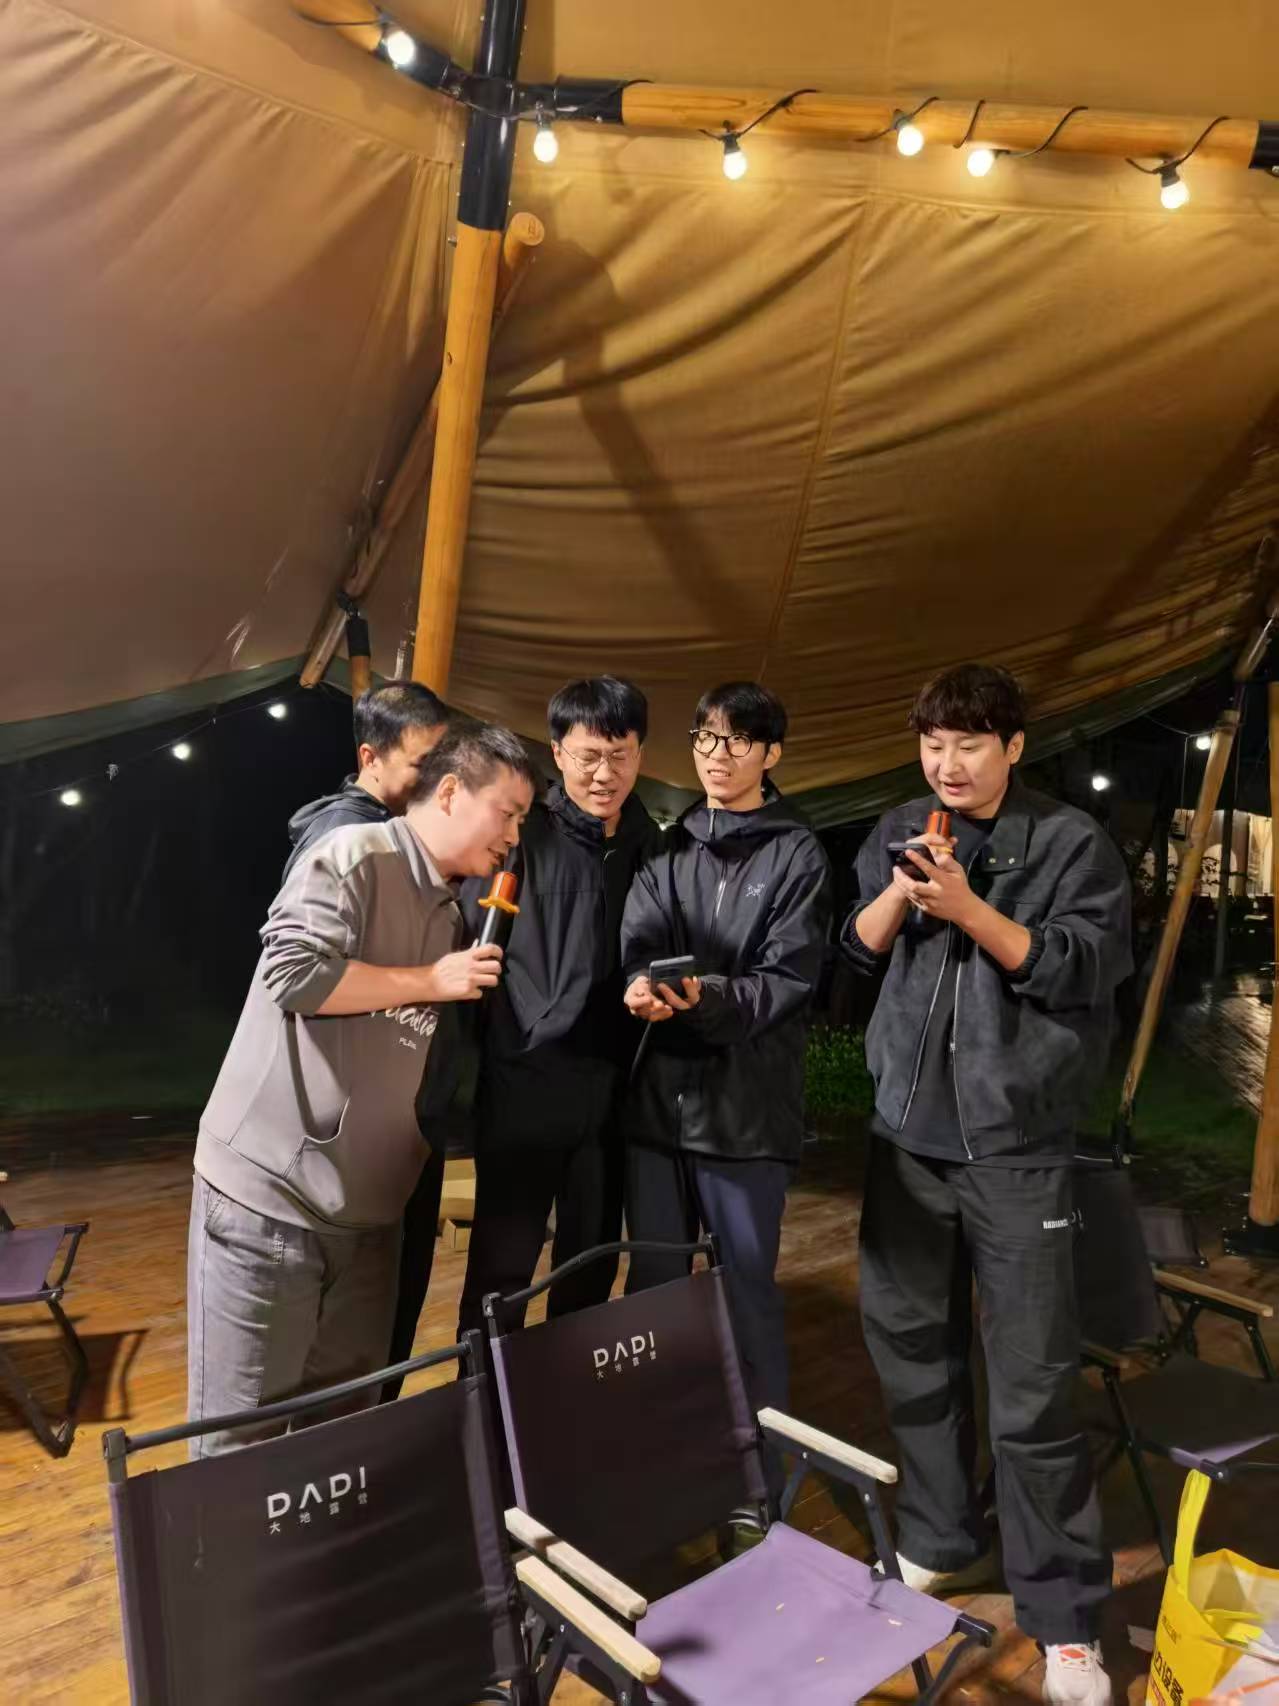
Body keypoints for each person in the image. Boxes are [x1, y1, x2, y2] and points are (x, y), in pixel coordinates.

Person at [843, 663, 1131, 1706]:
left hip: (1016, 1150)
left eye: (968, 743)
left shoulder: (1069, 843)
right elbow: (857, 952)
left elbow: (1080, 967)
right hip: (905, 1144)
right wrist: (899, 887)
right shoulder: (899, 825)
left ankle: (1063, 1618)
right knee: (912, 1350)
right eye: (932, 743)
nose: (947, 763)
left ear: (1012, 745)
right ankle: (938, 1536)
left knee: (1032, 1384)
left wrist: (966, 907)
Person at [188, 724, 536, 1454]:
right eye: (507, 813)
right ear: (450, 791)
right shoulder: (355, 855)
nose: (513, 836)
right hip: (272, 1201)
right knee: (239, 1438)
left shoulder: (452, 911)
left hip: (370, 1212)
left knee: (342, 1425)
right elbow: (292, 975)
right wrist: (429, 980)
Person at [620, 681, 832, 1445]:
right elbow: (639, 941)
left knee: (745, 1293)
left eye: (738, 740)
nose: (717, 754)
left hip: (745, 1113)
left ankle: (756, 1466)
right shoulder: (669, 844)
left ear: (770, 754)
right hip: (658, 1108)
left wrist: (700, 996)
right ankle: (653, 1447)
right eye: (706, 738)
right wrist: (638, 985)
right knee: (652, 1292)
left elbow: (785, 980)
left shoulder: (796, 852)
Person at [457, 677, 661, 1333]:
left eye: (620, 756)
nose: (605, 774)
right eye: (588, 756)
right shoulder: (523, 835)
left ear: (640, 753)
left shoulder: (650, 844)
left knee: (590, 1264)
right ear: (557, 752)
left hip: (612, 1093)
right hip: (525, 1086)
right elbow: (474, 948)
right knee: (501, 1270)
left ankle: (569, 1387)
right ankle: (487, 1391)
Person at [283, 678, 452, 1403]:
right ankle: (353, 1436)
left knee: (390, 1299)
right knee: (357, 1314)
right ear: (369, 757)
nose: (436, 785)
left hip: (395, 1108)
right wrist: (431, 979)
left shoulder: (400, 837)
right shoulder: (347, 841)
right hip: (349, 1116)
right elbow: (298, 978)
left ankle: (368, 1424)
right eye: (422, 766)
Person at [283, 679, 448, 877]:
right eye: (422, 764)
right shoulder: (341, 831)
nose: (438, 777)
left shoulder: (386, 821)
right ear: (371, 759)